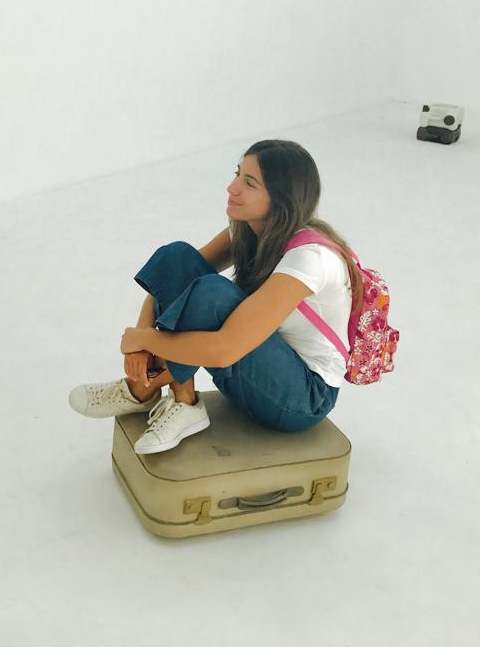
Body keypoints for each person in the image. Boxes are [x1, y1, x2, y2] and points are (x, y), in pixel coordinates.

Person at [68, 139, 363, 455]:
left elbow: (224, 350)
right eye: (238, 174)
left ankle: (142, 388)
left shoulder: (311, 259)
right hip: (252, 369)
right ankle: (179, 400)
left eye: (249, 183)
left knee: (211, 293)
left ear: (282, 200)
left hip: (300, 399)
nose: (232, 188)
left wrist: (144, 340)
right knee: (177, 258)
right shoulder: (248, 230)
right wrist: (140, 343)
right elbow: (170, 282)